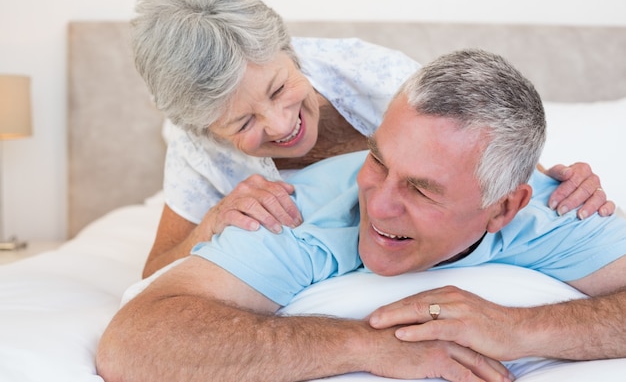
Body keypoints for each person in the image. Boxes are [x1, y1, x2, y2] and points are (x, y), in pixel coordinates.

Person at [96, 49, 626, 382]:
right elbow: (132, 344)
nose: (377, 201)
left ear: (505, 207)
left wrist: (521, 330)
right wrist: (363, 346)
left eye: (421, 189)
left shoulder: (560, 209)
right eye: (378, 159)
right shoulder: (301, 214)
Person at [132, 0, 613, 278]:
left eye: (280, 89)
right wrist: (210, 224)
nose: (280, 126)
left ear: (288, 48)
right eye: (241, 124)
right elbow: (153, 275)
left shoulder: (373, 76)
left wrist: (566, 183)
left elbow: (483, 161)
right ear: (207, 128)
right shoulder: (196, 146)